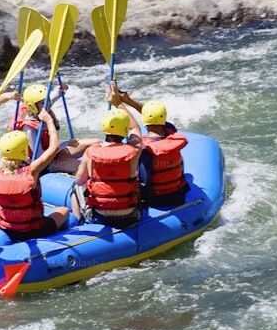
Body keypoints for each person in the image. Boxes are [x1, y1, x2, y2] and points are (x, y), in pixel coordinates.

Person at [0, 108, 71, 242]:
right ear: (24, 150)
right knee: (64, 210)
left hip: (6, 229)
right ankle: (53, 240)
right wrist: (49, 121)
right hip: (33, 230)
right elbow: (54, 148)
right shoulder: (31, 171)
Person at [111, 83, 189, 208]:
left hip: (156, 200)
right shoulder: (171, 131)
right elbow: (154, 117)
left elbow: (144, 181)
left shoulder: (145, 149)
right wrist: (128, 100)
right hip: (178, 195)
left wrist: (118, 104)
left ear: (145, 122)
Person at [73, 99, 143, 228]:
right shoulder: (133, 152)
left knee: (75, 186)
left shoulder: (90, 153)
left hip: (101, 216)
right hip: (129, 216)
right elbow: (135, 129)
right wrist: (117, 102)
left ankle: (80, 221)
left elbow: (79, 180)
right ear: (124, 129)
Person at [11, 81, 97, 174]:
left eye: (47, 101)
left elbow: (53, 97)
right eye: (43, 102)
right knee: (83, 166)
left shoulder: (41, 108)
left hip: (55, 153)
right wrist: (66, 144)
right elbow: (41, 157)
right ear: (33, 106)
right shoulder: (29, 128)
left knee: (96, 142)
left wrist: (60, 89)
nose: (47, 104)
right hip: (44, 164)